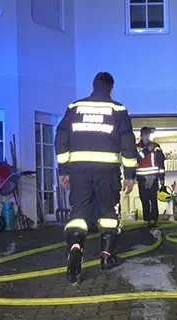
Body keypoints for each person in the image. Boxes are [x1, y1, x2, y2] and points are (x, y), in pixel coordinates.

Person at [56, 72, 138, 283]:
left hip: (79, 170)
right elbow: (128, 144)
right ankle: (106, 257)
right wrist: (130, 175)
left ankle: (75, 250)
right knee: (108, 212)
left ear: (93, 86)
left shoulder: (75, 108)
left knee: (79, 212)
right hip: (107, 170)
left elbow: (61, 138)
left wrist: (64, 170)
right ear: (111, 88)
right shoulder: (118, 110)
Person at [135, 126, 166, 228]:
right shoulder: (136, 147)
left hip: (153, 177)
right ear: (141, 135)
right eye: (145, 135)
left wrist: (161, 180)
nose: (147, 137)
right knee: (144, 199)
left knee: (153, 199)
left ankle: (153, 220)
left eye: (148, 135)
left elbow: (161, 163)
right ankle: (146, 219)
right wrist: (147, 150)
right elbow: (136, 160)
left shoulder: (156, 146)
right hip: (141, 178)